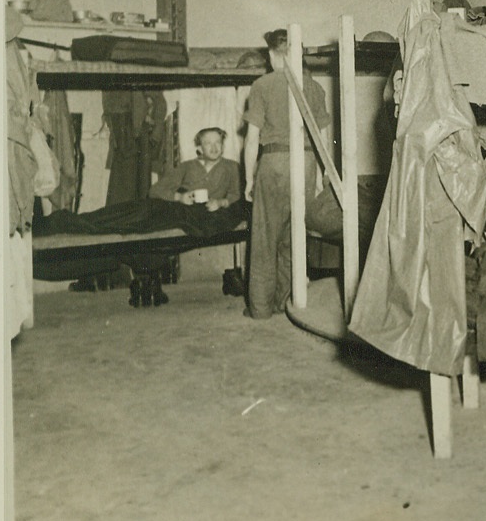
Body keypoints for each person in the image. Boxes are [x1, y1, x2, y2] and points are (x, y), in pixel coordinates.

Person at [243, 28, 331, 320]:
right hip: (305, 161)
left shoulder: (262, 85)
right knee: (296, 234)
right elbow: (324, 137)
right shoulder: (315, 87)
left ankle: (260, 308)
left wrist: (248, 178)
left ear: (272, 55)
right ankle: (288, 302)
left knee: (265, 236)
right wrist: (319, 176)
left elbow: (252, 138)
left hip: (275, 161)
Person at [34, 126, 246, 237]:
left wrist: (221, 203)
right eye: (208, 143)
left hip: (190, 216)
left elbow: (236, 195)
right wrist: (179, 196)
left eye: (218, 142)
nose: (214, 147)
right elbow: (156, 190)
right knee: (132, 211)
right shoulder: (187, 166)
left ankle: (65, 222)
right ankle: (63, 221)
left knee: (129, 221)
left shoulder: (231, 167)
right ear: (199, 148)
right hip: (172, 208)